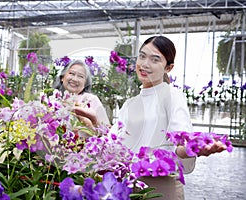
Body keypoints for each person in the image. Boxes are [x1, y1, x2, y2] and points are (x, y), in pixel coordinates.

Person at [74, 36, 226, 199]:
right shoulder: (130, 104)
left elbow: (180, 143)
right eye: (142, 56)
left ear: (169, 67)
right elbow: (114, 144)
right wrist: (94, 123)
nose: (145, 64)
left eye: (155, 59)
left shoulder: (172, 97)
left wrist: (192, 149)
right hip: (128, 185)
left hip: (160, 187)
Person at [53, 59, 110, 128]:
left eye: (80, 76)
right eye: (71, 73)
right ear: (62, 77)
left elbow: (106, 130)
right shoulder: (53, 98)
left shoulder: (91, 100)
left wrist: (92, 121)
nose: (75, 79)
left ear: (85, 83)